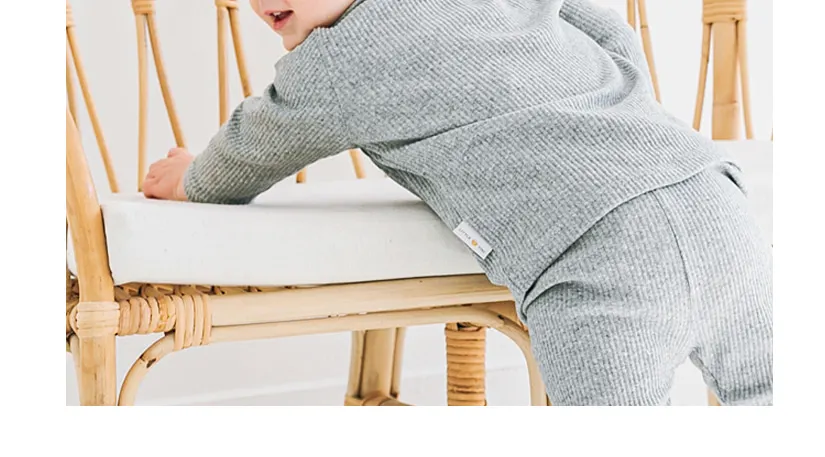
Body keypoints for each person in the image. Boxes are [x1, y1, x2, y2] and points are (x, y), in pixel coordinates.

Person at [142, 0, 773, 406]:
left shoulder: (335, 60)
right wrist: (625, 108)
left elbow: (252, 149)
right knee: (768, 391)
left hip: (596, 259)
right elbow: (604, 26)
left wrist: (191, 177)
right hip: (712, 198)